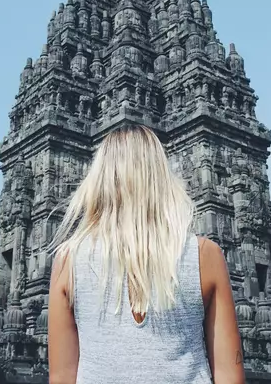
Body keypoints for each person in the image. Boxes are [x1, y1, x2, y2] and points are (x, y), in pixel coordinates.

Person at [48, 125, 246, 384]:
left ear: (99, 182)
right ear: (163, 178)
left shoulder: (68, 261)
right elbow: (230, 374)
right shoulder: (204, 255)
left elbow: (62, 377)